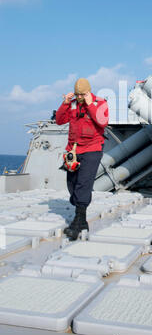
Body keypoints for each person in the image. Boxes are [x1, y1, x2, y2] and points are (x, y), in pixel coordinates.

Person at [56, 78, 109, 240]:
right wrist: (65, 103)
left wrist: (90, 104)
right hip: (73, 150)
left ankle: (78, 222)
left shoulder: (99, 103)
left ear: (88, 91)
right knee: (72, 184)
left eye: (82, 94)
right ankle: (83, 219)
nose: (79, 97)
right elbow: (59, 120)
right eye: (77, 94)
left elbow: (102, 122)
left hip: (92, 149)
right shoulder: (72, 104)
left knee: (83, 184)